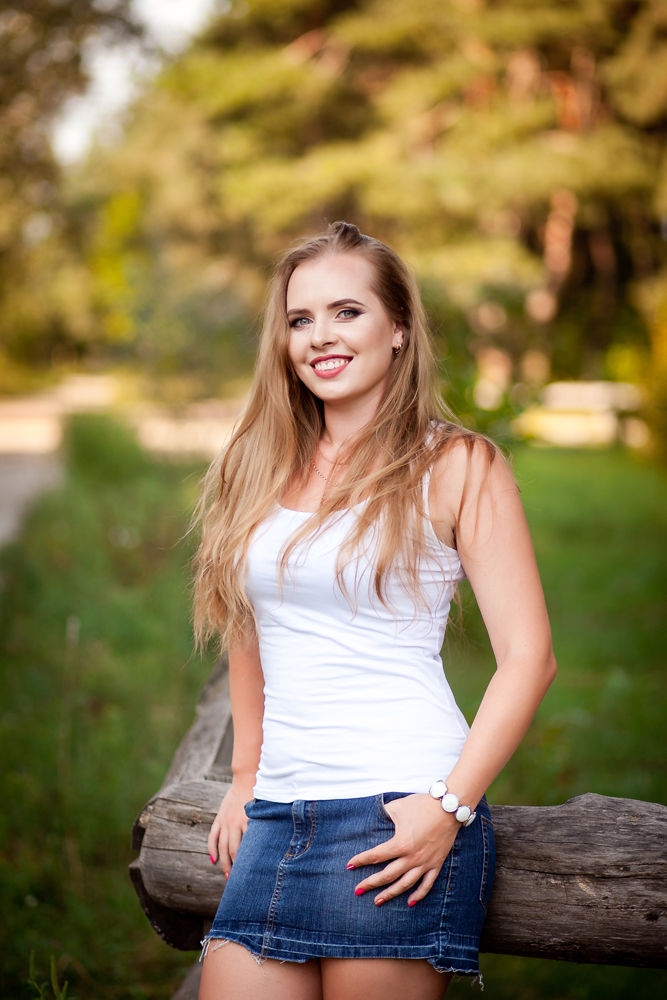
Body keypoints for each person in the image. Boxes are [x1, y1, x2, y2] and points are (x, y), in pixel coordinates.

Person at [192, 221, 556, 1000]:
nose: (319, 336)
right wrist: (244, 775)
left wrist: (448, 808)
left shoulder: (457, 465)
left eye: (346, 312)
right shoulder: (256, 465)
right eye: (299, 319)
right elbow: (249, 626)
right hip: (276, 815)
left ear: (397, 328)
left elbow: (529, 659)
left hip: (398, 813)